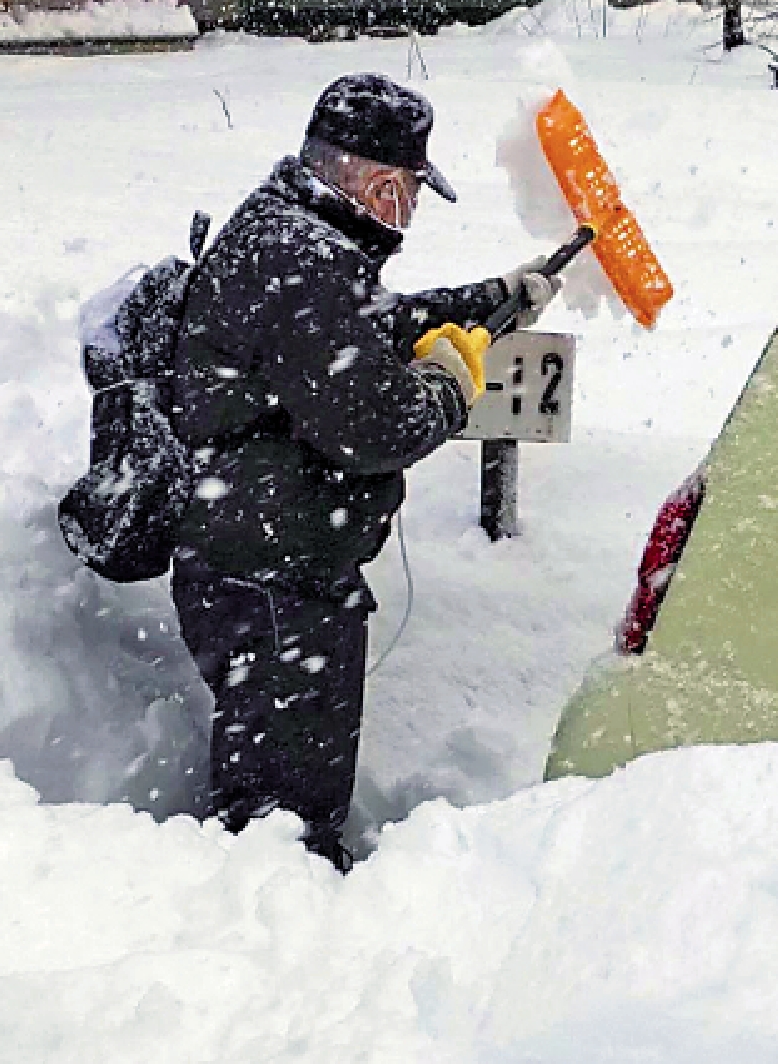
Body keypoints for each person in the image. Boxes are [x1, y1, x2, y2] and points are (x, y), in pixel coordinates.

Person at [164, 73, 555, 866]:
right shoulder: (302, 262)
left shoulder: (292, 237)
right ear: (380, 184)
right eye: (410, 190)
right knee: (280, 824)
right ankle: (280, 934)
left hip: (265, 564)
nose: (408, 211)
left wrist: (493, 300)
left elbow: (374, 328)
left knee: (278, 797)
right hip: (275, 583)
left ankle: (276, 908)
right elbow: (379, 426)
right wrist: (449, 384)